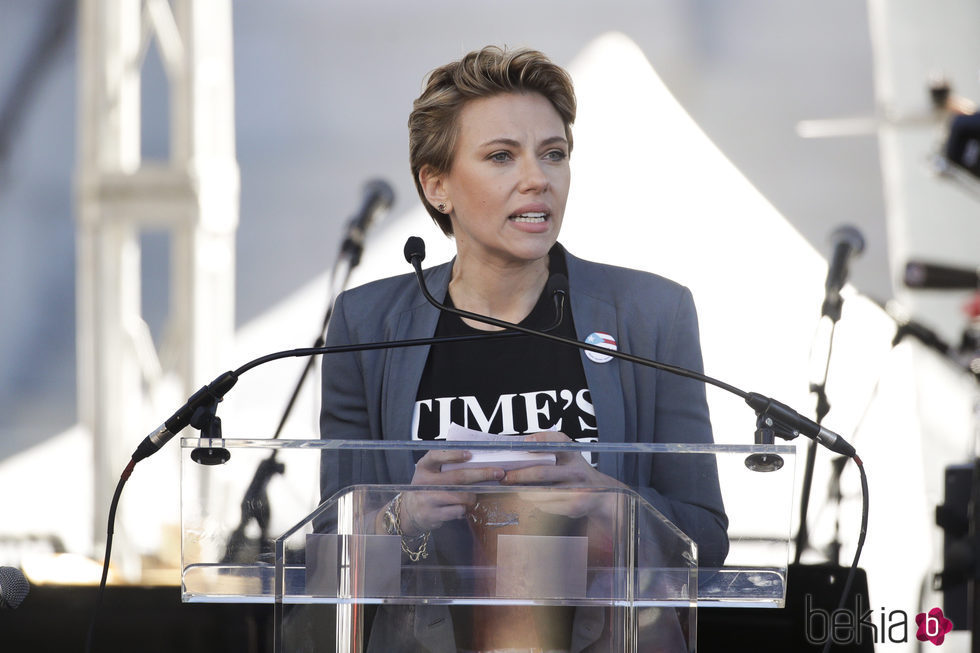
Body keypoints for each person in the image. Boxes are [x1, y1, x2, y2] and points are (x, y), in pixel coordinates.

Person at [318, 45, 728, 653]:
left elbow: (706, 541)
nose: (537, 178)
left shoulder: (651, 315)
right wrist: (405, 513)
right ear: (437, 186)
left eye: (553, 154)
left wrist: (605, 499)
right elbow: (328, 558)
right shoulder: (368, 323)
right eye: (501, 156)